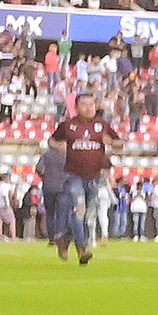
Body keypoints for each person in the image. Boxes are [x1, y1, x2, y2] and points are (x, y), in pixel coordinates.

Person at [48, 92, 119, 266]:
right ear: (77, 107)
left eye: (91, 104)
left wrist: (112, 142)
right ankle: (82, 249)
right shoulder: (68, 126)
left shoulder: (102, 125)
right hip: (74, 176)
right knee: (79, 210)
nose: (88, 108)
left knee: (87, 215)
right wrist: (57, 146)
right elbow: (52, 140)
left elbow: (119, 141)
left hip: (94, 177)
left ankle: (64, 240)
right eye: (84, 105)